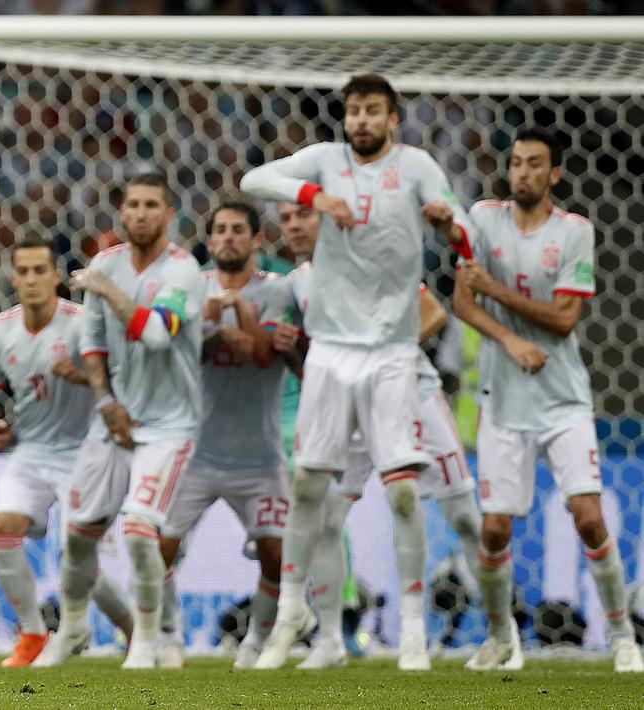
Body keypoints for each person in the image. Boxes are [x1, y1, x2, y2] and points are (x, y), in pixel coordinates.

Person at [241, 73, 473, 671]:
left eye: (373, 111)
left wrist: (448, 224)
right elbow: (254, 180)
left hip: (394, 354)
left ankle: (415, 629)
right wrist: (315, 198)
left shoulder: (417, 166)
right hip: (333, 354)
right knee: (311, 490)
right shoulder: (324, 160)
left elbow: (463, 225)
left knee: (401, 497)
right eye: (353, 111)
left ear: (393, 118)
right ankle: (296, 612)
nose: (362, 121)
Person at [454, 127, 644, 672]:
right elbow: (461, 301)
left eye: (535, 164)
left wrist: (495, 291)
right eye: (516, 163)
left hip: (562, 401)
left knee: (588, 517)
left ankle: (622, 635)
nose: (523, 173)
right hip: (504, 400)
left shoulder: (574, 232)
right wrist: (510, 338)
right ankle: (498, 638)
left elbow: (564, 319)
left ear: (555, 173)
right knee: (494, 529)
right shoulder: (484, 218)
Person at [0, 235, 133, 668]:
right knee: (3, 526)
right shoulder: (0, 329)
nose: (32, 280)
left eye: (40, 271)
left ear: (56, 277)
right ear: (13, 278)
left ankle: (132, 629)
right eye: (24, 272)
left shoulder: (83, 323)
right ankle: (32, 633)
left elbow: (118, 384)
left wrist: (86, 378)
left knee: (80, 557)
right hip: (32, 452)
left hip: (85, 452)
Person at [32, 172, 205, 670]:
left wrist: (108, 291)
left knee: (137, 529)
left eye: (153, 204)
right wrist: (106, 403)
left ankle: (149, 639)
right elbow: (94, 344)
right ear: (122, 212)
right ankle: (70, 630)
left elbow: (156, 334)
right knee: (79, 533)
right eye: (133, 204)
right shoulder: (104, 263)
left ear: (169, 215)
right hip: (115, 422)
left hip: (170, 426)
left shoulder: (183, 271)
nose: (141, 213)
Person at [154, 199, 295, 670]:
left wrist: (241, 314)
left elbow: (262, 355)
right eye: (220, 231)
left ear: (257, 240)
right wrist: (212, 332)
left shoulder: (278, 291)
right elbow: (170, 355)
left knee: (276, 557)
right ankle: (170, 637)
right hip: (197, 453)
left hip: (260, 456)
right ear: (209, 241)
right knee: (158, 550)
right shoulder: (189, 288)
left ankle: (255, 642)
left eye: (239, 230)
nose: (228, 237)